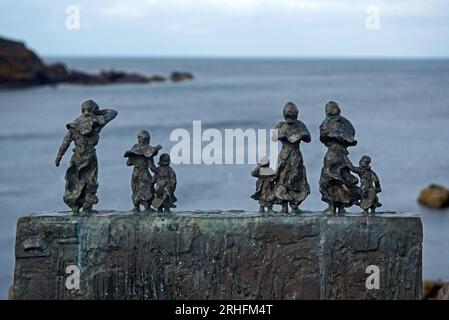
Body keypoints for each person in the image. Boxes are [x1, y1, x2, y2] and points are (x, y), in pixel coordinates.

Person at [55, 100, 117, 214]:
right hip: (90, 156)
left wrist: (59, 157)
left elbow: (65, 142)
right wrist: (97, 112)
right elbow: (113, 113)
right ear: (94, 110)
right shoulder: (96, 121)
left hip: (77, 157)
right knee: (90, 181)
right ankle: (87, 208)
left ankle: (75, 207)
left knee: (74, 181)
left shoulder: (75, 124)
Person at [319, 101, 360, 214]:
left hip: (340, 153)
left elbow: (351, 136)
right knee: (328, 178)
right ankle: (332, 205)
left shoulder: (344, 122)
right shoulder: (325, 122)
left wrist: (337, 135)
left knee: (341, 176)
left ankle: (341, 205)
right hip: (332, 152)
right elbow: (322, 137)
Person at [272, 102, 311, 214]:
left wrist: (300, 135)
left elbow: (308, 138)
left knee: (297, 179)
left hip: (295, 155)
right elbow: (273, 137)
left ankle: (294, 205)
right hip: (284, 155)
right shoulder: (280, 125)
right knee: (282, 179)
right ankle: (284, 206)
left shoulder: (300, 125)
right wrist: (282, 136)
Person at [124, 130, 162, 213]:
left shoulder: (134, 148)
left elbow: (128, 163)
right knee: (148, 189)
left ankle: (136, 207)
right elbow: (151, 166)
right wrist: (159, 173)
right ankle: (147, 208)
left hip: (135, 173)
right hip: (144, 173)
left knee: (135, 189)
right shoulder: (147, 152)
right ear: (148, 140)